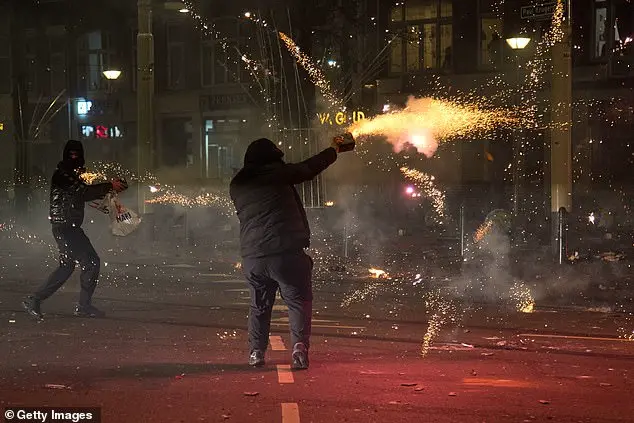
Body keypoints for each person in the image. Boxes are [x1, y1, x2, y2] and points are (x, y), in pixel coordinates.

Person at [230, 136, 344, 370]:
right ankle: (299, 348)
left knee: (259, 306)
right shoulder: (277, 175)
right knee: (298, 302)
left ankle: (256, 352)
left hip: (253, 257)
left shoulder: (238, 184)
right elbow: (309, 168)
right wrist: (334, 149)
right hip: (285, 253)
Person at [22, 139, 128, 320]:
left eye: (76, 154)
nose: (74, 157)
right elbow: (83, 192)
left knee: (67, 266)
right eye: (71, 154)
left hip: (66, 227)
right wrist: (109, 186)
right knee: (91, 262)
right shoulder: (63, 175)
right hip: (66, 228)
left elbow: (82, 194)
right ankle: (82, 306)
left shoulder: (69, 175)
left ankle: (36, 300)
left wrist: (107, 192)